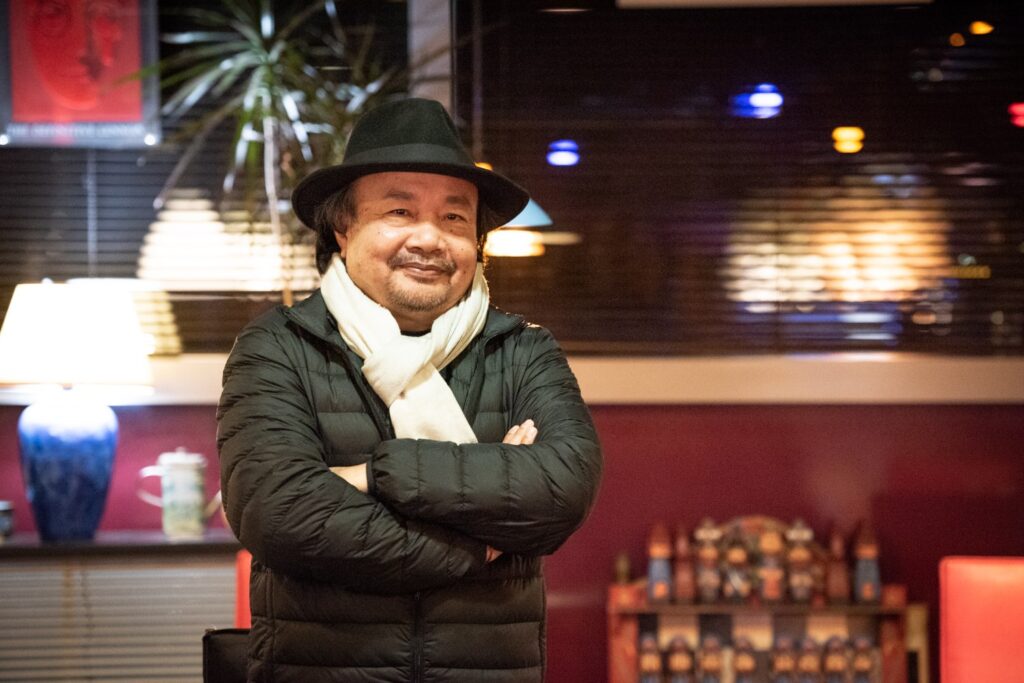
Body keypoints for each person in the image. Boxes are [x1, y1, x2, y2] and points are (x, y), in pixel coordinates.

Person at [217, 97, 603, 682]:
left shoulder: (522, 350)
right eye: (399, 211)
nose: (429, 238)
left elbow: (561, 489)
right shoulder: (279, 346)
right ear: (343, 228)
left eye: (454, 218)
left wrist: (373, 475)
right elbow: (280, 514)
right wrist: (479, 546)